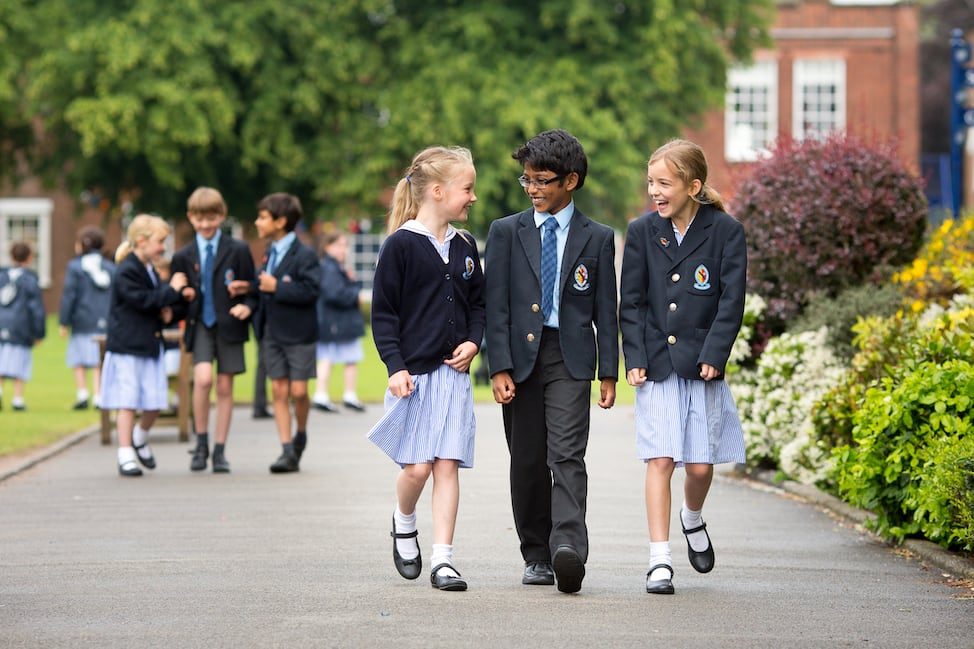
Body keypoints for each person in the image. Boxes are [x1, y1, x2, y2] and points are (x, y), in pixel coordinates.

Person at [485, 128, 618, 594]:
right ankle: (536, 554)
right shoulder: (505, 232)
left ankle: (568, 549)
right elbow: (495, 305)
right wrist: (497, 366)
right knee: (526, 460)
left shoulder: (597, 238)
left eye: (542, 180)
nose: (534, 189)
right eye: (527, 181)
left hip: (570, 356)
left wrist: (609, 372)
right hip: (520, 358)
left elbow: (607, 307)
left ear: (571, 181)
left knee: (567, 454)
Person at [619, 139, 747, 595]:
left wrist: (716, 353)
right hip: (656, 365)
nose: (654, 190)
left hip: (701, 366)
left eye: (664, 183)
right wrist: (633, 357)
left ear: (693, 186)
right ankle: (659, 559)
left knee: (697, 466)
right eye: (650, 182)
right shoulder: (640, 232)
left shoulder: (726, 232)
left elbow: (732, 300)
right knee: (660, 459)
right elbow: (630, 302)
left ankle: (691, 517)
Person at [368, 146, 484, 592]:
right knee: (416, 469)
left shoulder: (466, 246)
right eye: (467, 188)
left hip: (453, 379)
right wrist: (394, 367)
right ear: (438, 191)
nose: (473, 197)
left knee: (447, 466)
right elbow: (384, 316)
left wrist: (474, 341)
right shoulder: (400, 245)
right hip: (412, 380)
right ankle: (403, 519)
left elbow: (478, 305)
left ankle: (444, 559)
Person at [171, 187, 257, 473]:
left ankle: (219, 450)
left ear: (221, 216)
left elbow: (253, 288)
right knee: (203, 379)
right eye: (199, 218)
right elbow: (175, 298)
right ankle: (201, 443)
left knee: (224, 386)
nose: (205, 224)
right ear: (190, 218)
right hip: (200, 325)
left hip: (229, 324)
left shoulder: (238, 249)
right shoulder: (183, 255)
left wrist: (247, 304)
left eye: (211, 218)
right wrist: (180, 294)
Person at [101, 215, 194, 476]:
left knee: (154, 401)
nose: (164, 247)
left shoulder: (150, 270)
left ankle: (140, 436)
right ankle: (125, 452)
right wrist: (173, 290)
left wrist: (176, 305)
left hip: (150, 345)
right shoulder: (126, 270)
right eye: (160, 241)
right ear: (141, 241)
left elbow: (158, 306)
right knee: (128, 401)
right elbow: (142, 300)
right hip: (128, 347)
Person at [251, 193, 321, 473]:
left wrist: (276, 286)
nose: (257, 222)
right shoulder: (268, 252)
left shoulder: (305, 255)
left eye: (263, 217)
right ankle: (286, 450)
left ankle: (300, 433)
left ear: (280, 221)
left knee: (299, 391)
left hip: (300, 334)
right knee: (278, 390)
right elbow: (263, 286)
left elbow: (312, 290)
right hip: (271, 333)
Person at [58, 226, 115, 410]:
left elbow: (69, 295)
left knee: (79, 359)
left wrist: (64, 321)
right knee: (98, 361)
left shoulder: (75, 267)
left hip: (81, 320)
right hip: (105, 320)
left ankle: (82, 394)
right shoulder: (110, 267)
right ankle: (99, 395)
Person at [311, 229, 366, 414]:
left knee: (349, 358)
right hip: (335, 321)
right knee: (329, 358)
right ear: (327, 247)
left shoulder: (335, 267)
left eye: (345, 245)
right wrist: (355, 293)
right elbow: (334, 294)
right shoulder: (329, 267)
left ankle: (346, 395)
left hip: (338, 321)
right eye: (339, 245)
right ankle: (323, 395)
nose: (344, 250)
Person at [0, 242, 46, 411]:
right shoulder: (30, 279)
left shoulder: (2, 276)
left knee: (1, 361)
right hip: (20, 327)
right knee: (20, 362)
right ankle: (17, 399)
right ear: (29, 258)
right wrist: (39, 333)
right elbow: (36, 309)